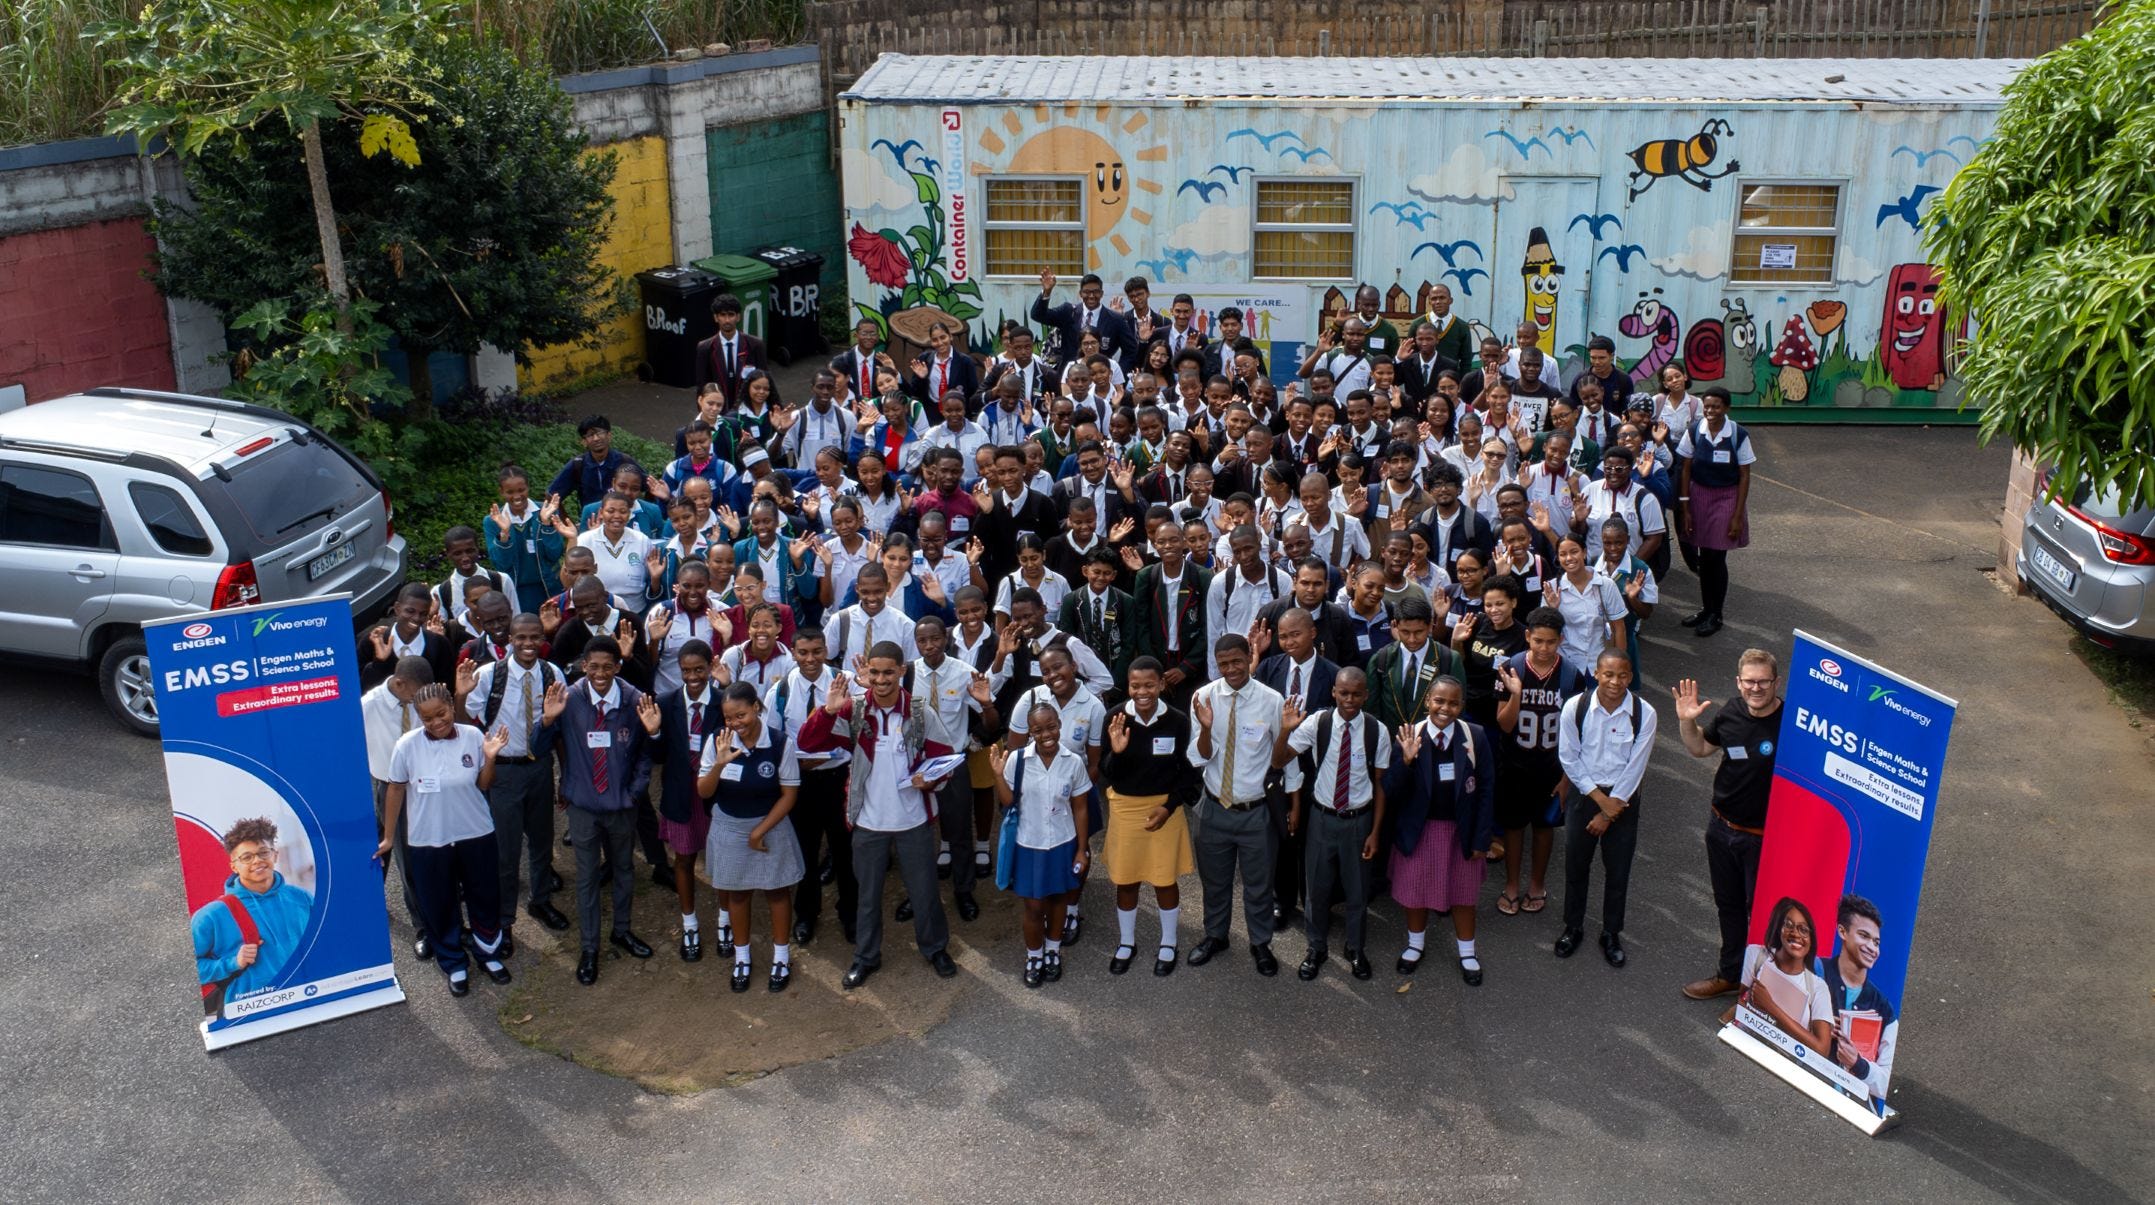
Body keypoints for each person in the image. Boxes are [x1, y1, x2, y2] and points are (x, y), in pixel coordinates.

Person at [796, 642, 963, 987]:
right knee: (867, 896)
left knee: (924, 892)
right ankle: (866, 957)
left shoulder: (919, 712)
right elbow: (808, 743)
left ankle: (935, 948)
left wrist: (930, 780)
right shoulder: (853, 711)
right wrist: (827, 711)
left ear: (902, 671)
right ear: (867, 672)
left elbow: (944, 758)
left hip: (913, 821)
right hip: (868, 823)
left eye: (889, 672)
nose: (881, 679)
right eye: (875, 672)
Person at [379, 684, 511, 996]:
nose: (437, 722)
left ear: (452, 706)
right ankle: (454, 963)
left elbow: (485, 784)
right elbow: (395, 789)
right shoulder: (406, 746)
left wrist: (490, 758)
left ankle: (488, 954)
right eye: (427, 719)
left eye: (441, 713)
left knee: (484, 896)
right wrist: (388, 836)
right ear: (419, 718)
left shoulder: (473, 736)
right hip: (429, 839)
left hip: (475, 833)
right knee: (438, 902)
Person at [1674, 649, 1785, 1000]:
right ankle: (1730, 975)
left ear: (1776, 682)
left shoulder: (1792, 725)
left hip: (1761, 839)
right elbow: (1699, 749)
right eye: (1749, 681)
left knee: (1763, 917)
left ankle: (1755, 996)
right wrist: (1686, 720)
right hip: (1720, 828)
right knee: (1729, 906)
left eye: (1763, 681)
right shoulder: (1731, 712)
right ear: (1738, 682)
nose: (1756, 688)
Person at [548, 636, 659, 987]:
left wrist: (633, 793)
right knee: (586, 877)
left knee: (624, 869)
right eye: (593, 666)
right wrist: (547, 721)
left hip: (620, 806)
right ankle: (589, 947)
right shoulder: (567, 699)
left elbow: (646, 754)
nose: (599, 673)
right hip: (583, 806)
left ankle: (621, 931)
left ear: (618, 667)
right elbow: (540, 745)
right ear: (584, 666)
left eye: (607, 667)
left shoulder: (635, 701)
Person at [459, 614, 567, 950]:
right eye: (521, 638)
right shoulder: (490, 675)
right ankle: (504, 919)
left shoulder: (552, 673)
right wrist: (460, 695)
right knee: (506, 851)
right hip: (504, 771)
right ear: (510, 639)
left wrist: (563, 774)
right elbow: (465, 721)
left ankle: (540, 900)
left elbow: (558, 730)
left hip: (539, 767)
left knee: (542, 840)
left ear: (543, 639)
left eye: (535, 637)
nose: (528, 644)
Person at [1279, 667, 1390, 981]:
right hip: (1322, 818)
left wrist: (1375, 832)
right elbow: (1278, 760)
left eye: (1356, 694)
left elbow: (1381, 785)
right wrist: (1285, 731)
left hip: (1358, 821)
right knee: (1317, 888)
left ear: (1366, 695)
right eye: (1344, 693)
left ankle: (1355, 948)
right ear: (1334, 693)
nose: (1349, 700)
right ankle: (1316, 947)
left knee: (1357, 890)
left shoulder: (1377, 730)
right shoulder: (1319, 722)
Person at [1384, 677, 1496, 985]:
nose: (1445, 708)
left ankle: (1467, 952)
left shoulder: (1474, 737)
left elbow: (1486, 789)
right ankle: (1415, 945)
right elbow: (1391, 791)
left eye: (1453, 703)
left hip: (1461, 831)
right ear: (1427, 701)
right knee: (1415, 892)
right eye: (1439, 701)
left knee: (1463, 894)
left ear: (1462, 705)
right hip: (1419, 831)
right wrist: (1406, 761)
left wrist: (1482, 837)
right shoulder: (1410, 735)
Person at [1185, 634, 1286, 976]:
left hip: (1255, 812)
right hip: (1214, 809)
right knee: (1215, 882)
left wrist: (1292, 804)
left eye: (1237, 662)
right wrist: (1205, 728)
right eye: (1223, 664)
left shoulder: (1271, 700)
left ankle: (1260, 943)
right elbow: (1198, 758)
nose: (1231, 669)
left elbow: (1282, 756)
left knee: (1259, 885)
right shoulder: (1203, 697)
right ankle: (1216, 936)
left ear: (1249, 658)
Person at [695, 682, 806, 993]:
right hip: (729, 826)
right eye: (729, 718)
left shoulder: (780, 743)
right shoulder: (718, 741)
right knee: (737, 894)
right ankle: (741, 957)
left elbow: (789, 795)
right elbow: (703, 791)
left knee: (777, 891)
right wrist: (719, 764)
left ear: (756, 707)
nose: (735, 723)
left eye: (741, 715)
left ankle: (781, 957)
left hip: (770, 825)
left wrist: (760, 831)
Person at [1555, 649, 1658, 968]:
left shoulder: (1644, 713)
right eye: (1609, 674)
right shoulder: (1576, 707)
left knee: (1618, 870)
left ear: (1631, 677)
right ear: (1596, 674)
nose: (1615, 681)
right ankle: (1573, 927)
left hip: (1623, 798)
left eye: (1623, 675)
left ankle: (1611, 933)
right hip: (1585, 794)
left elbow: (1637, 766)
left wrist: (1610, 810)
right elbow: (1569, 757)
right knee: (1576, 865)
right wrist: (1600, 803)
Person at [1099, 658, 1196, 977]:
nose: (1142, 692)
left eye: (1150, 685)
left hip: (1164, 808)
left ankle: (1169, 942)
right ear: (1128, 686)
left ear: (1162, 684)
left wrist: (1169, 807)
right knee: (1126, 880)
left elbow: (1187, 772)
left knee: (1164, 879)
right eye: (1135, 685)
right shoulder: (1115, 717)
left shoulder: (1177, 721)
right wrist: (1117, 752)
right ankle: (1127, 942)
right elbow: (1106, 771)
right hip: (1126, 808)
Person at [992, 704, 1093, 988]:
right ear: (1030, 732)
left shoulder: (1073, 762)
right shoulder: (1018, 760)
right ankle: (1034, 956)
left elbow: (1080, 808)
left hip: (1062, 842)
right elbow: (1008, 802)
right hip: (1029, 843)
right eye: (1038, 730)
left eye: (1051, 727)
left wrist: (1081, 849)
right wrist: (998, 775)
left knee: (1059, 900)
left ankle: (1053, 951)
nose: (1046, 734)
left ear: (1059, 724)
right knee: (1034, 906)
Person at [1492, 608, 1583, 918]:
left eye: (1551, 642)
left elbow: (1577, 734)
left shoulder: (1571, 676)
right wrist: (1516, 695)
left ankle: (1536, 884)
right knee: (1513, 826)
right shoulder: (1510, 668)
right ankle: (1512, 884)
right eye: (1538, 641)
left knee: (1544, 827)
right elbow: (1504, 724)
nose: (1544, 648)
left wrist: (1567, 778)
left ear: (1561, 640)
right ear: (1527, 636)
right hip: (1514, 765)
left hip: (1552, 768)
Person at [766, 628, 852, 947]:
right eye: (803, 652)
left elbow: (859, 728)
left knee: (844, 850)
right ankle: (806, 913)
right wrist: (794, 764)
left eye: (817, 651)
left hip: (838, 778)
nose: (810, 659)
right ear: (793, 652)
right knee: (805, 850)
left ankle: (850, 913)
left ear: (826, 650)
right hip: (801, 783)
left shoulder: (846, 682)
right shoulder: (781, 690)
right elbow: (773, 738)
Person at [646, 639, 725, 963]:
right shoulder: (666, 703)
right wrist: (653, 733)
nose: (692, 677)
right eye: (686, 671)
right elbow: (658, 756)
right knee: (684, 859)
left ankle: (725, 920)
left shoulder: (724, 702)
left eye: (699, 670)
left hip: (717, 794)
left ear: (710, 667)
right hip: (680, 792)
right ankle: (689, 923)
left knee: (722, 861)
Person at [192, 817, 317, 1010]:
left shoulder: (302, 898)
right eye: (247, 857)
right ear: (234, 866)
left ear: (275, 855)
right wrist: (232, 963)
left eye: (263, 853)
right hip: (253, 1010)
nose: (257, 860)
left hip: (310, 995)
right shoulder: (211, 916)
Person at [361, 654, 431, 953]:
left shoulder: (418, 696)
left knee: (413, 852)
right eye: (414, 695)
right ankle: (422, 926)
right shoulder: (367, 706)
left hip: (422, 784)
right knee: (401, 857)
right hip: (389, 788)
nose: (417, 701)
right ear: (400, 683)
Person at [1674, 386, 1755, 638]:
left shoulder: (1738, 435)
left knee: (1716, 557)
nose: (1710, 411)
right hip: (1699, 495)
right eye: (1707, 406)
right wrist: (1685, 506)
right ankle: (1705, 609)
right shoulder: (1694, 431)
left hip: (1726, 497)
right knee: (1703, 556)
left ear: (1726, 408)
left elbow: (1744, 476)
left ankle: (1716, 614)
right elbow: (1685, 468)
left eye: (1716, 407)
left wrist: (1737, 515)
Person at [1822, 895, 1900, 1111]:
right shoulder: (1814, 973)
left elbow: (1886, 1084)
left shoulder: (1884, 1010)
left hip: (1853, 1112)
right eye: (1864, 936)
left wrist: (1858, 1064)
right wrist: (1817, 1027)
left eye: (1876, 942)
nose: (1871, 947)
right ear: (1842, 932)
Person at [1736, 896, 1836, 1055]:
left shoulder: (1818, 987)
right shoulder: (1756, 955)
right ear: (1778, 928)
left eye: (1803, 930)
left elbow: (1822, 1049)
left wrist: (1771, 1008)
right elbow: (1732, 1000)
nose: (1796, 934)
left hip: (1783, 1063)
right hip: (1742, 1047)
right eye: (1788, 925)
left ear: (1811, 939)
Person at [486, 465, 566, 614]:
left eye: (521, 490)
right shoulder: (493, 521)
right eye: (510, 492)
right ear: (501, 492)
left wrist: (546, 524)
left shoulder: (546, 511)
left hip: (550, 588)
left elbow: (555, 554)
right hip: (516, 592)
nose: (517, 496)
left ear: (528, 487)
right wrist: (505, 533)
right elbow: (501, 564)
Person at [1550, 535, 1628, 678]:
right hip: (1565, 664)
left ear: (1584, 552)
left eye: (1574, 552)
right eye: (1563, 554)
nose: (1569, 558)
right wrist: (1552, 609)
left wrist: (1619, 666)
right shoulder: (1552, 588)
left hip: (1599, 663)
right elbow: (1546, 630)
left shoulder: (1606, 585)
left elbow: (1619, 628)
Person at [694, 293, 768, 402]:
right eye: (723, 315)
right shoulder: (705, 348)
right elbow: (702, 387)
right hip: (719, 408)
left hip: (747, 407)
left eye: (731, 315)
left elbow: (766, 382)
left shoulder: (755, 345)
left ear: (738, 317)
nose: (727, 320)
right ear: (716, 317)